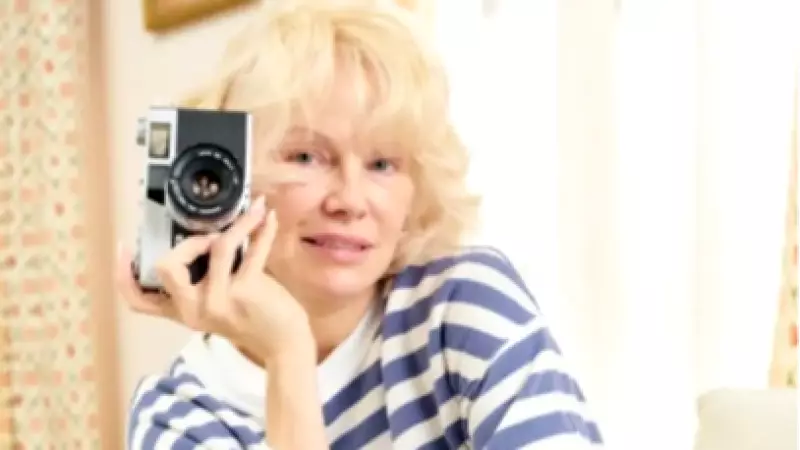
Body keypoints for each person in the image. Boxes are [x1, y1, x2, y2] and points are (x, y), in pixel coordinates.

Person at [116, 1, 604, 449]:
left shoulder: (463, 303)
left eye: (382, 164)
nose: (349, 201)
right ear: (232, 174)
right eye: (306, 157)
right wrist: (289, 353)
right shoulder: (176, 417)